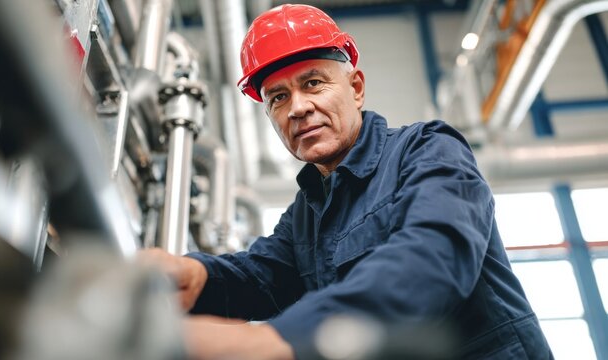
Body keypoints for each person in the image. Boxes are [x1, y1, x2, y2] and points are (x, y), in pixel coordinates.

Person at [140, 4, 553, 359]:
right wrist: (196, 275)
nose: (298, 108)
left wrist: (279, 340)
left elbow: (431, 258)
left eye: (313, 83)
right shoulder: (308, 211)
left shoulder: (427, 150)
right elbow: (260, 275)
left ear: (355, 88)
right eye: (278, 98)